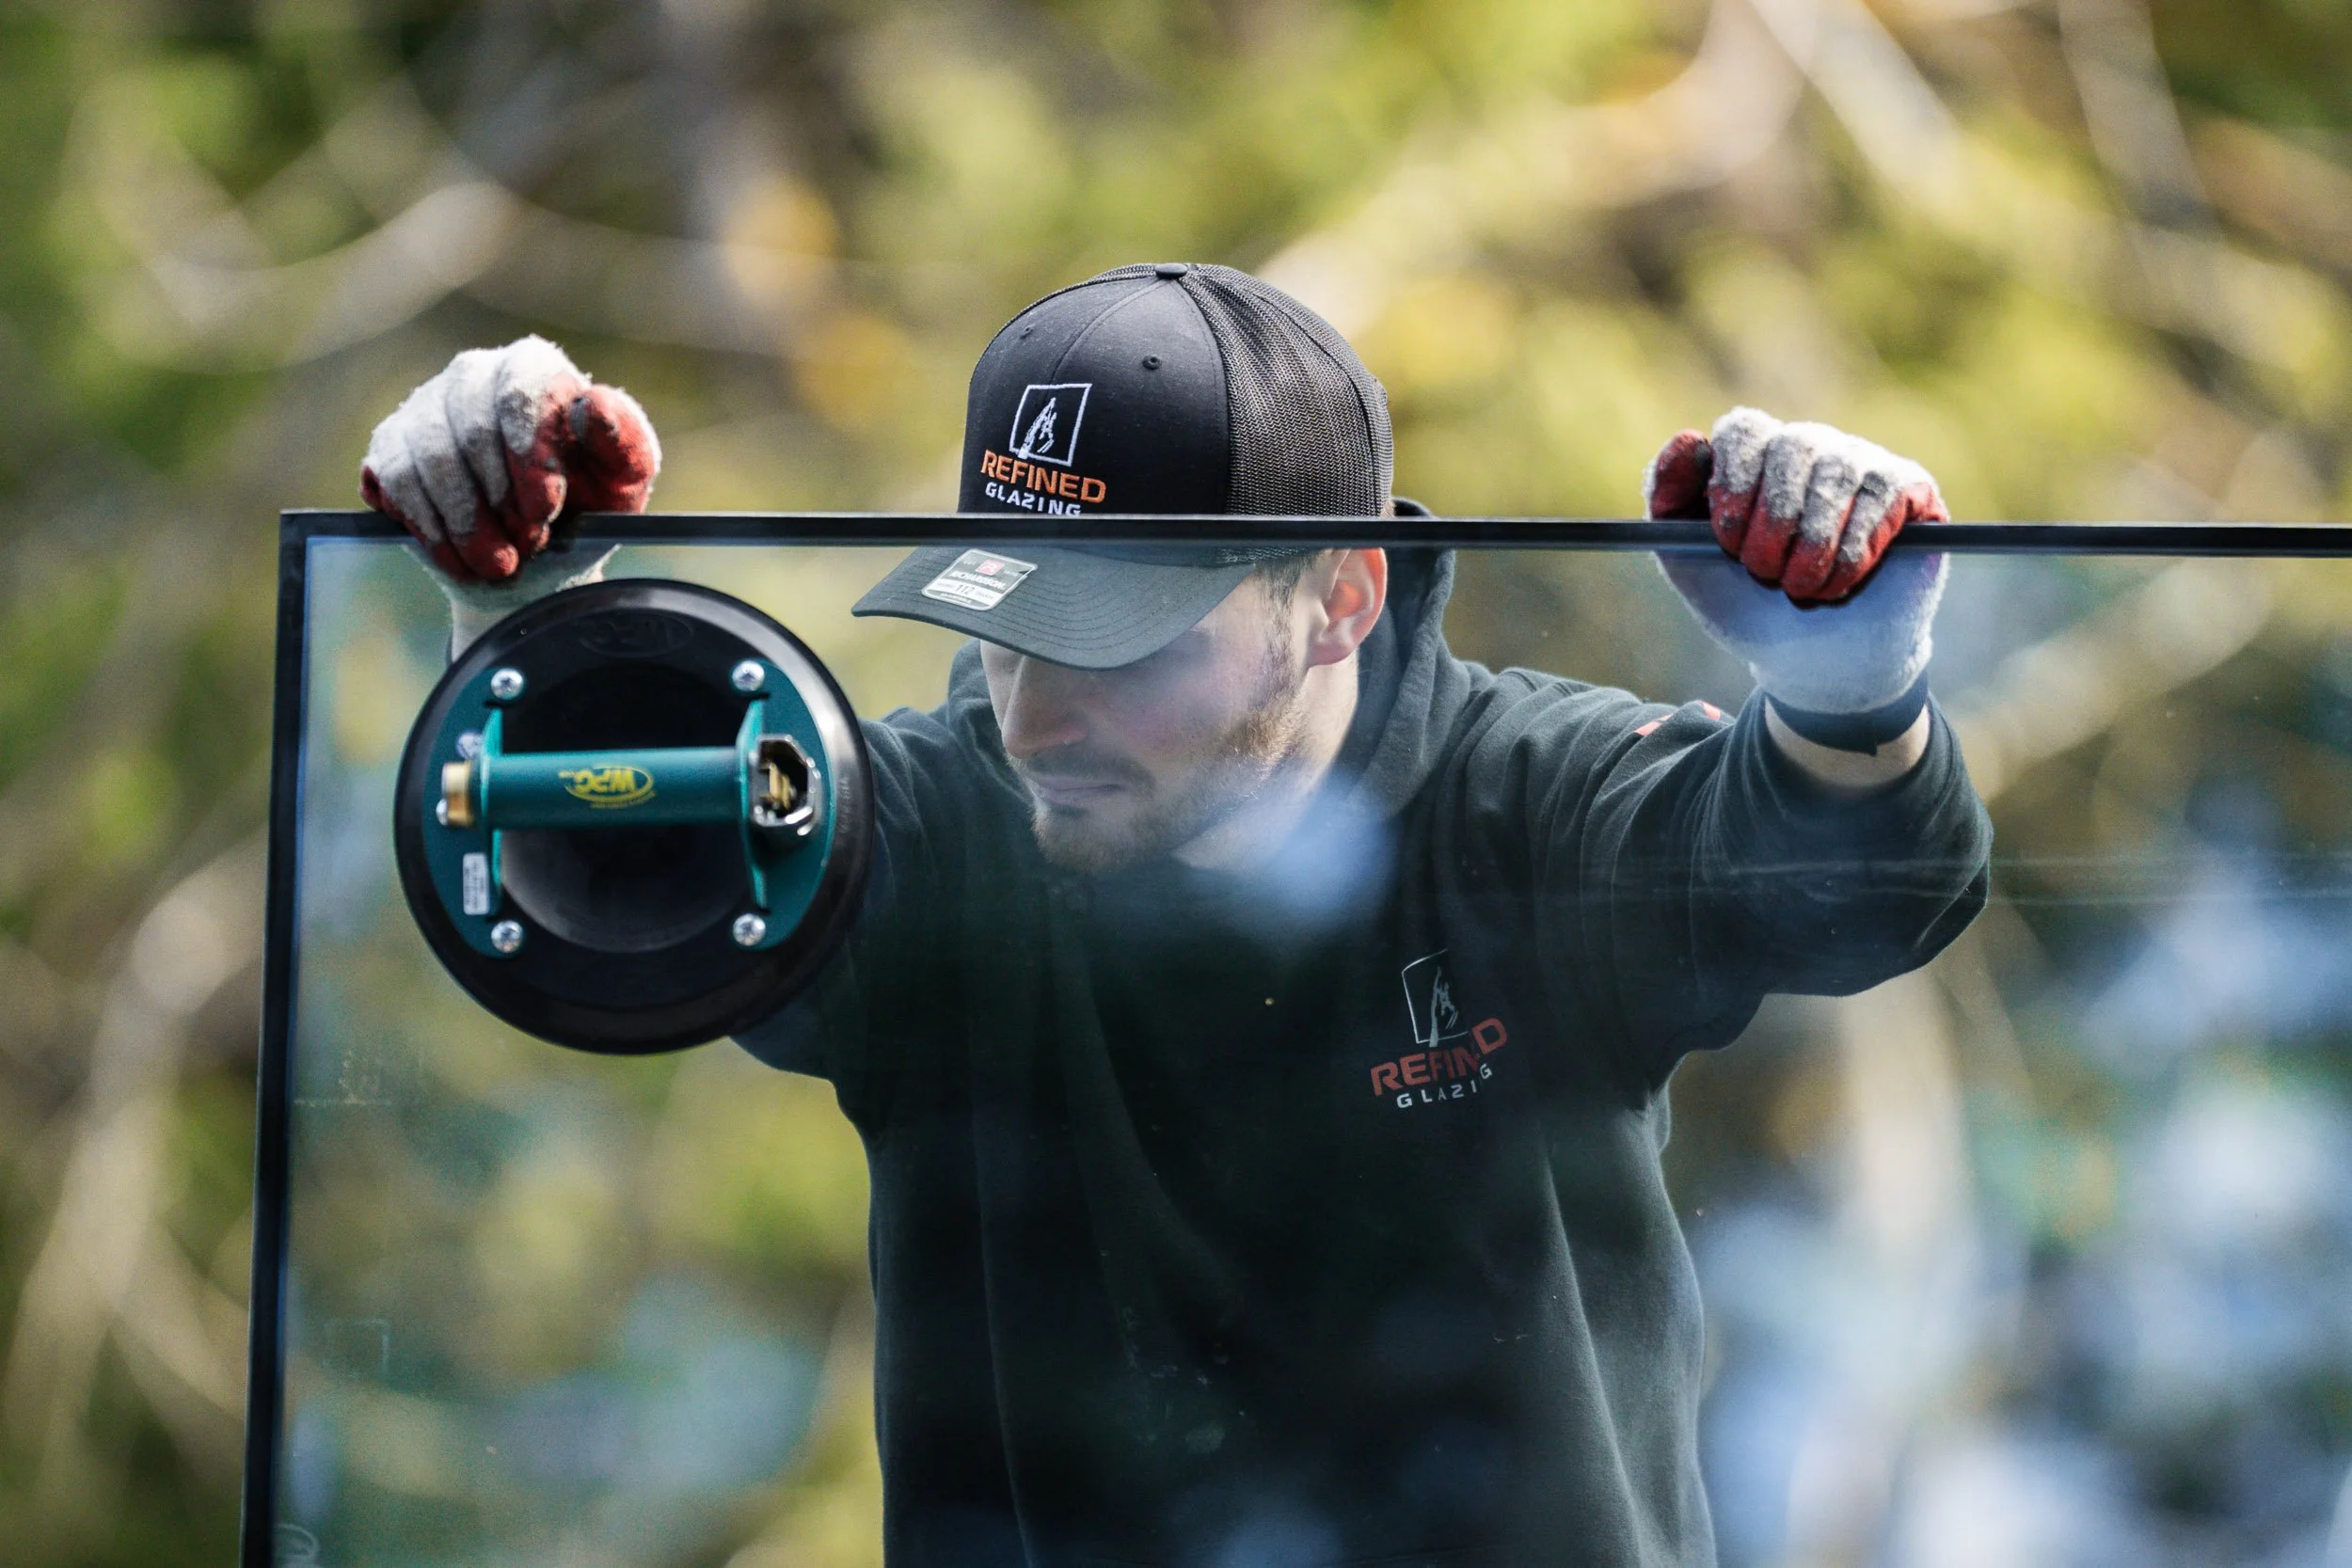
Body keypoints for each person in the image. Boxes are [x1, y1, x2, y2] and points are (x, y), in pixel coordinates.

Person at [361, 261, 1992, 1567]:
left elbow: (1835, 884)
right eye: (1008, 623)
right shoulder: (930, 832)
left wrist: (1849, 693)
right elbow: (612, 890)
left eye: (1123, 644)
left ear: (1340, 593)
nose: (1033, 714)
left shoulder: (1533, 798)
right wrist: (523, 611)